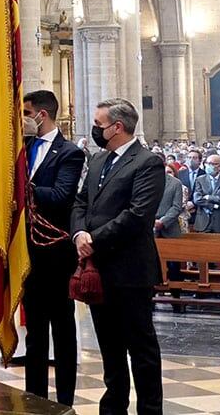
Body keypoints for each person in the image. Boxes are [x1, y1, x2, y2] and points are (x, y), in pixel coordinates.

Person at [72, 98, 164, 415]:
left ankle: (150, 409)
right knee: (109, 347)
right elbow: (81, 203)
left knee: (141, 348)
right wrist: (78, 234)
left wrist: (93, 239)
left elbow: (137, 216)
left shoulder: (147, 162)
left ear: (117, 127)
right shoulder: (98, 160)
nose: (95, 130)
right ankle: (113, 406)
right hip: (100, 270)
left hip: (131, 270)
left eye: (99, 125)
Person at [21, 89, 84, 407]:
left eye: (25, 114)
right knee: (34, 332)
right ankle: (35, 398)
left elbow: (61, 194)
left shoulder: (69, 152)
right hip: (28, 252)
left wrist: (24, 187)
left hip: (57, 253)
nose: (22, 120)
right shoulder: (23, 148)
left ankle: (65, 400)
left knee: (62, 328)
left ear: (41, 115)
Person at [193, 155, 220, 233]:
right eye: (208, 163)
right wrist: (213, 206)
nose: (209, 166)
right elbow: (197, 199)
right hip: (203, 221)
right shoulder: (200, 179)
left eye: (213, 164)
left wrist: (208, 197)